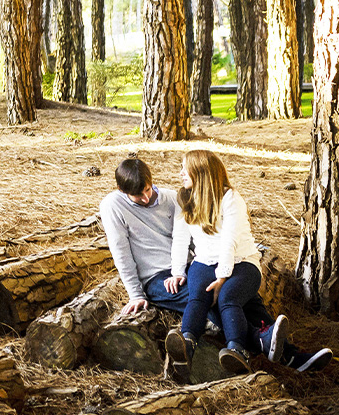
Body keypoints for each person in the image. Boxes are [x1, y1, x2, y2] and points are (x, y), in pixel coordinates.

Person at [99, 156, 332, 375]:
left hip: (192, 265)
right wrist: (135, 294)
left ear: (151, 181)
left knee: (243, 296)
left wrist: (214, 267)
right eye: (137, 196)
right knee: (209, 296)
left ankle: (289, 354)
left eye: (147, 190)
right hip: (157, 278)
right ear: (122, 191)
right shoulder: (113, 205)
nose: (146, 198)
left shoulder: (174, 197)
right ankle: (259, 343)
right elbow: (121, 252)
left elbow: (195, 236)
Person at [166, 149, 285, 374]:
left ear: (200, 172)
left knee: (228, 297)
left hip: (242, 262)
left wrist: (222, 276)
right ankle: (186, 344)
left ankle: (237, 350)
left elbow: (229, 240)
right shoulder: (185, 198)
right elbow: (180, 239)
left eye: (185, 168)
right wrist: (178, 272)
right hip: (203, 262)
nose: (181, 173)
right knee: (198, 295)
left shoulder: (230, 198)